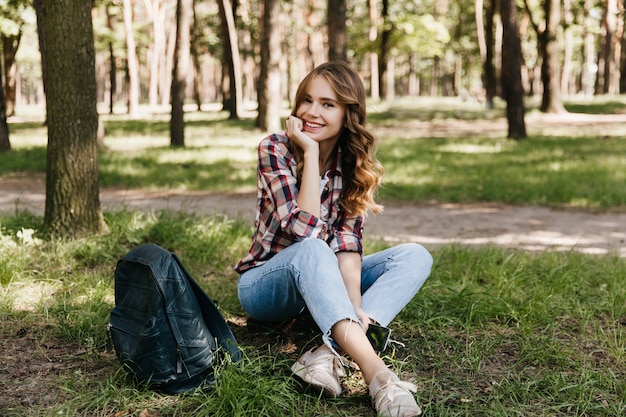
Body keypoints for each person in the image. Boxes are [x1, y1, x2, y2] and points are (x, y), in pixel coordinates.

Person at [235, 61, 432, 417]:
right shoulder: (275, 149)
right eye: (307, 100)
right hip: (267, 287)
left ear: (348, 113)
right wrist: (309, 154)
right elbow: (305, 232)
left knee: (414, 256)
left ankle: (328, 351)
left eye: (327, 104)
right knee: (311, 248)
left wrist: (354, 306)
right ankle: (380, 378)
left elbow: (347, 243)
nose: (311, 112)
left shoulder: (351, 161)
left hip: (324, 283)